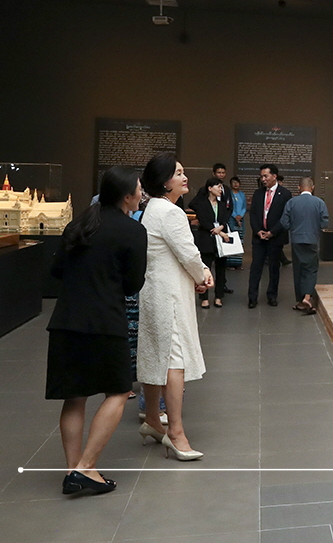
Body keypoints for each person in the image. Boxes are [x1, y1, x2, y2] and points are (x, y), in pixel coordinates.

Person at [46, 166, 147, 495]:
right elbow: (133, 283)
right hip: (105, 322)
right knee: (117, 392)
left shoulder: (80, 223)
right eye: (139, 189)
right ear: (126, 196)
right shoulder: (132, 231)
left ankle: (72, 470)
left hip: (67, 321)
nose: (141, 194)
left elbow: (58, 269)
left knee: (75, 397)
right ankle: (87, 468)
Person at [138, 154, 212, 461]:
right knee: (174, 359)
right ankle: (176, 432)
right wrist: (204, 275)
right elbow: (189, 254)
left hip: (155, 290)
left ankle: (154, 420)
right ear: (164, 181)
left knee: (157, 354)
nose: (184, 177)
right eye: (177, 173)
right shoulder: (170, 212)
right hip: (168, 295)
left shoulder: (153, 209)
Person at [280, 176, 329, 314]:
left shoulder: (291, 202)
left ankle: (300, 299)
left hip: (296, 239)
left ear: (299, 188)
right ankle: (307, 297)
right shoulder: (319, 202)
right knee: (311, 269)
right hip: (312, 239)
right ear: (312, 188)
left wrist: (294, 229)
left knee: (298, 269)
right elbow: (324, 223)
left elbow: (284, 222)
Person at [247, 164, 292, 307]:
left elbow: (285, 217)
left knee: (274, 268)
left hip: (275, 237)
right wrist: (257, 230)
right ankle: (252, 297)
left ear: (274, 176)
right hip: (259, 237)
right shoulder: (258, 193)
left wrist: (272, 232)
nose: (263, 179)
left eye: (265, 176)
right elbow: (253, 214)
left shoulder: (285, 194)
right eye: (261, 176)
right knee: (256, 267)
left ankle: (272, 295)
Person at [188, 177, 231, 309]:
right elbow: (204, 221)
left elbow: (225, 219)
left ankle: (219, 296)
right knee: (205, 268)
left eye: (221, 187)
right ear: (210, 188)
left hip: (221, 242)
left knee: (221, 270)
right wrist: (219, 231)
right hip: (206, 239)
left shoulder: (223, 204)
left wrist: (221, 228)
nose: (220, 189)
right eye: (218, 186)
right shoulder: (202, 204)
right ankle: (204, 297)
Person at [211, 164, 234, 294]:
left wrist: (224, 222)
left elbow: (230, 207)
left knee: (222, 258)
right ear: (214, 174)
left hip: (223, 225)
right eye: (218, 172)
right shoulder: (207, 188)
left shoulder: (227, 189)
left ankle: (222, 285)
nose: (221, 175)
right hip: (211, 227)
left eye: (223, 172)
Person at [225, 176, 246, 269]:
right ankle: (230, 263)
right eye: (233, 182)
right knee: (231, 240)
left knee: (240, 241)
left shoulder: (242, 194)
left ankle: (238, 264)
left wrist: (240, 216)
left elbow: (244, 207)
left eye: (237, 182)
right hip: (231, 219)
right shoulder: (229, 194)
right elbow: (228, 206)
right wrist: (235, 216)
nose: (235, 184)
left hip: (241, 220)